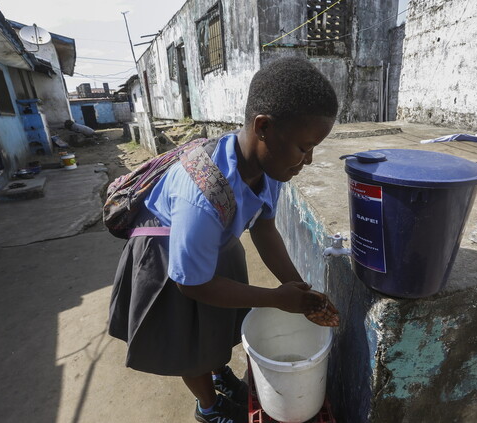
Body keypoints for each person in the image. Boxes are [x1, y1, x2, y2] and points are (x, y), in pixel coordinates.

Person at [108, 56, 340, 423]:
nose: (308, 160)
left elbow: (264, 228)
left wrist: (295, 285)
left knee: (214, 325)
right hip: (169, 255)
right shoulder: (200, 194)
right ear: (263, 127)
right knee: (189, 340)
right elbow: (194, 286)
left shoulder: (270, 169)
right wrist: (275, 299)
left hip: (213, 243)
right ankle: (208, 407)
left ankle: (219, 371)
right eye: (303, 147)